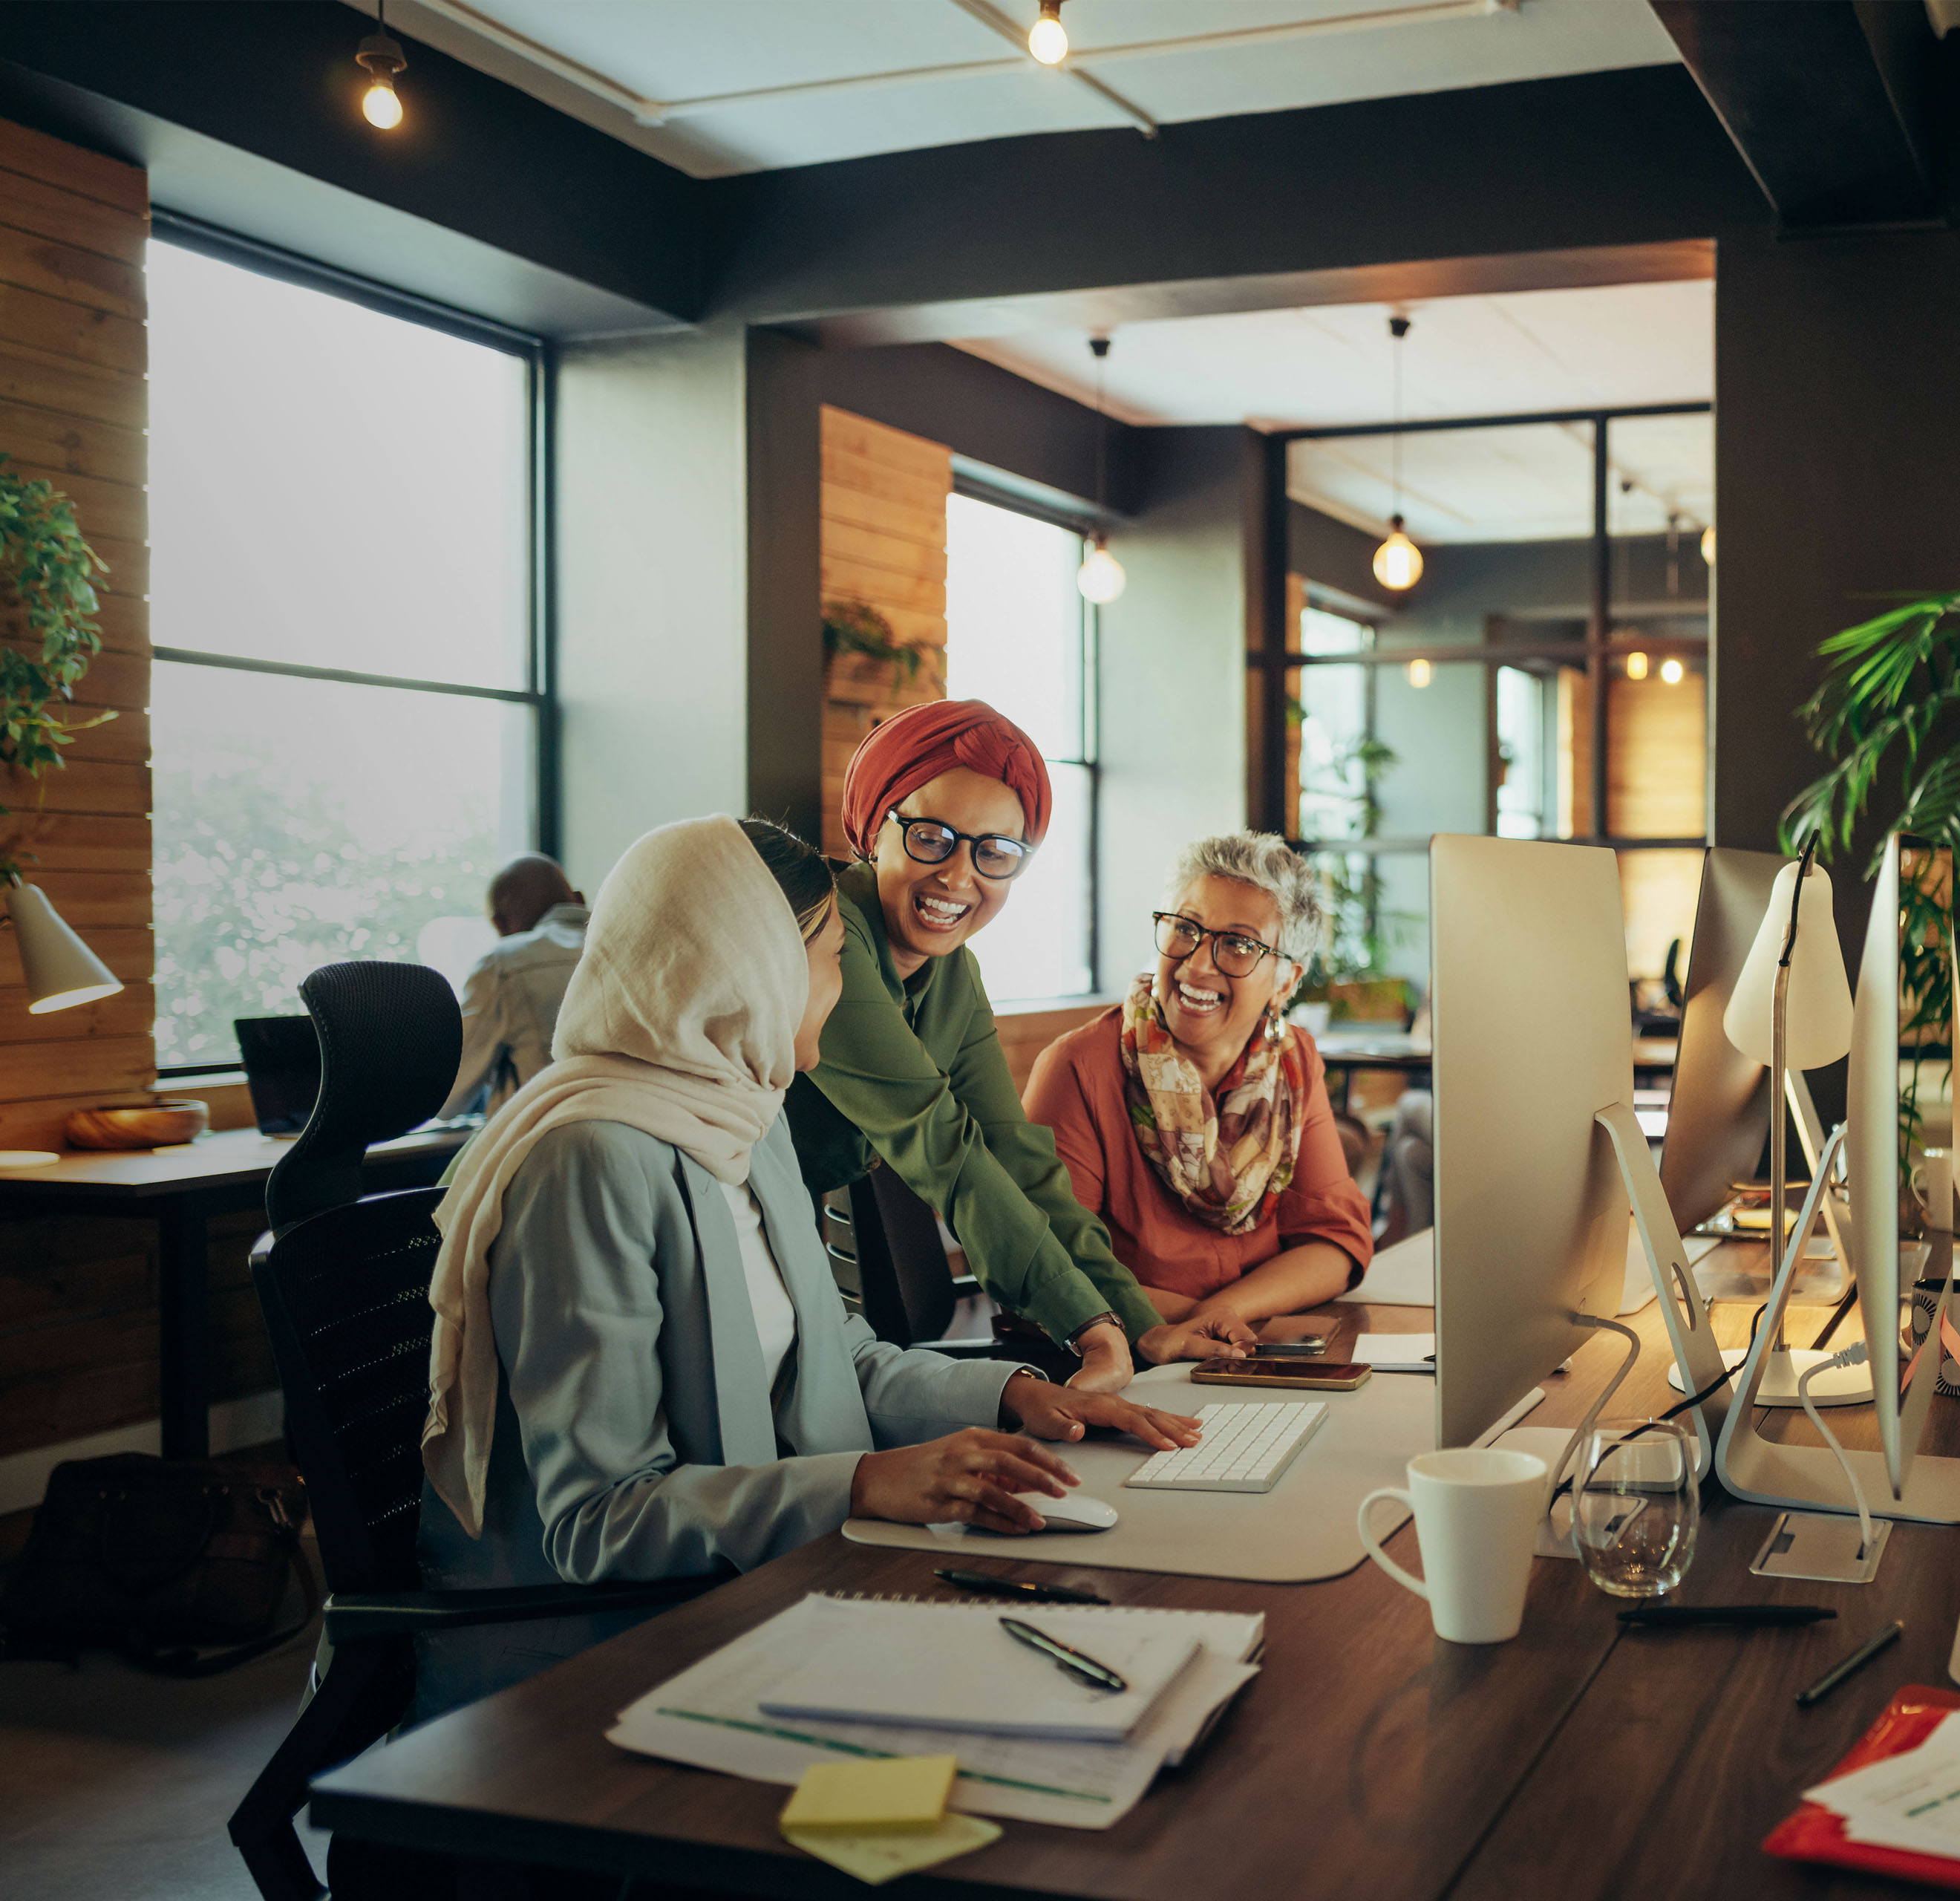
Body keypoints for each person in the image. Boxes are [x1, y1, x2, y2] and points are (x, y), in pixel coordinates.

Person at [414, 815, 1198, 1721]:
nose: (842, 984)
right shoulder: (591, 1161)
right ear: (753, 969)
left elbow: (837, 1353)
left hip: (777, 1588)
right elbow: (602, 1518)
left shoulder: (746, 1113)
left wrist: (1018, 1394)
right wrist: (866, 1482)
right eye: (831, 958)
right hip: (620, 1660)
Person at [787, 700, 1248, 1392]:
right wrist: (1086, 1325)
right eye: (931, 837)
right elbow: (945, 1148)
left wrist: (1135, 1322)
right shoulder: (830, 941)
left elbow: (1015, 1156)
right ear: (874, 828)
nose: (958, 877)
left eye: (995, 852)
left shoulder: (951, 972)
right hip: (711, 1234)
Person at [1024, 832, 1373, 1328]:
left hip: (1245, 1343)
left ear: (1285, 982)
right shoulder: (1079, 1067)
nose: (1197, 963)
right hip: (1124, 1357)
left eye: (1237, 944)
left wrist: (1218, 1318)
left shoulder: (1293, 1062)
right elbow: (1050, 1271)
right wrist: (1198, 1329)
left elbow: (1335, 1240)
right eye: (1185, 929)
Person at [440, 853, 589, 1117]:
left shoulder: (505, 963)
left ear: (499, 924)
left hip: (546, 1143)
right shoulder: (634, 951)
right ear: (578, 900)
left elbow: (447, 1095)